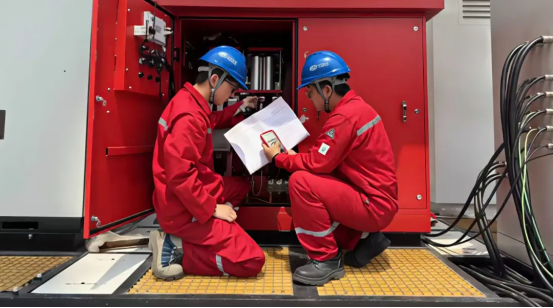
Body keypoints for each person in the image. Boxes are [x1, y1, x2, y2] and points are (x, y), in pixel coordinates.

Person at [263, 51, 398, 286]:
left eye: (310, 92)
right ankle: (363, 239)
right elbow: (324, 160)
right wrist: (295, 158)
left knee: (300, 183)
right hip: (374, 200)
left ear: (326, 90)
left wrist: (279, 158)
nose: (310, 99)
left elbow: (318, 163)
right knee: (311, 187)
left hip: (373, 205)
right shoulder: (356, 109)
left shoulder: (345, 116)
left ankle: (326, 260)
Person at [150, 46, 265, 280]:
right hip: (183, 209)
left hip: (193, 191)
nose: (231, 95)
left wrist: (241, 106)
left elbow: (211, 120)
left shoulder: (190, 102)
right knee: (252, 261)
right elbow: (180, 176)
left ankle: (213, 233)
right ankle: (176, 246)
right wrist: (212, 209)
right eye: (231, 89)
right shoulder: (189, 117)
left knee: (242, 186)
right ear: (214, 80)